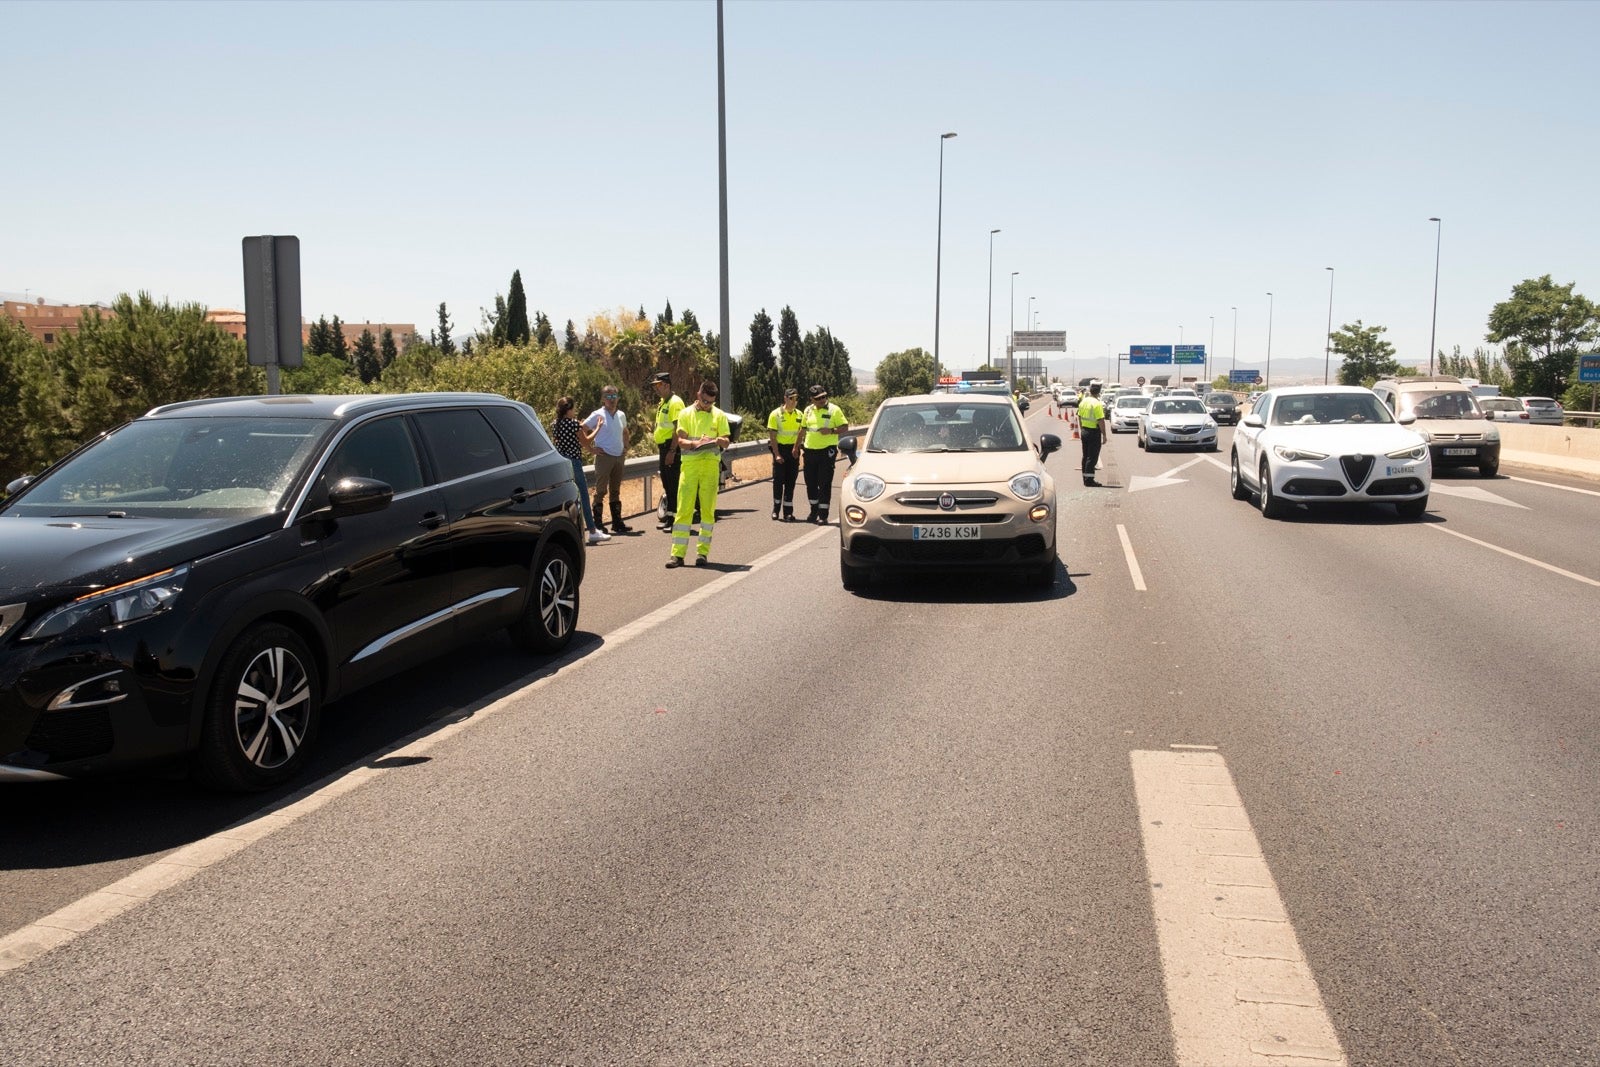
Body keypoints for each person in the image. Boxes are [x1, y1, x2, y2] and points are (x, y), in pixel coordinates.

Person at [666, 380, 731, 568]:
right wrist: (697, 444)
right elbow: (681, 440)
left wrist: (717, 440)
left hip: (710, 468)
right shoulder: (685, 413)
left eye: (710, 402)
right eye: (704, 401)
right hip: (690, 467)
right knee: (684, 510)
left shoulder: (719, 415)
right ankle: (677, 555)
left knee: (707, 511)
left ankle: (702, 553)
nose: (707, 405)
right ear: (698, 394)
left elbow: (726, 441)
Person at [552, 396, 609, 545]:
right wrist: (598, 427)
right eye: (573, 408)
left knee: (566, 499)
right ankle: (592, 531)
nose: (574, 411)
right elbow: (586, 441)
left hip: (561, 463)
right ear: (569, 409)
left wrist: (591, 450)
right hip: (574, 462)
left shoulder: (555, 424)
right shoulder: (573, 424)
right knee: (583, 495)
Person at [582, 384, 631, 533]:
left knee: (615, 490)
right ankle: (597, 525)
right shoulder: (597, 414)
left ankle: (617, 523)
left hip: (618, 457)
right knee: (601, 491)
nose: (611, 399)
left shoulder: (621, 414)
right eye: (608, 396)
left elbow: (625, 431)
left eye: (614, 396)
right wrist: (590, 449)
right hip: (604, 457)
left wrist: (626, 447)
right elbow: (582, 430)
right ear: (603, 399)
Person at [801, 384, 847, 524]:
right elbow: (803, 429)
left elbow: (845, 427)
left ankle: (823, 515)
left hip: (827, 450)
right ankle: (813, 511)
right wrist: (797, 446)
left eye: (824, 397)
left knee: (824, 482)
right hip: (809, 451)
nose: (822, 400)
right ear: (811, 399)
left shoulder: (834, 409)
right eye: (818, 398)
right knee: (810, 483)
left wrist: (832, 431)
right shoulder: (808, 410)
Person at [650, 371, 684, 531]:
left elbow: (678, 428)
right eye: (655, 386)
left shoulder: (675, 403)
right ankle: (670, 518)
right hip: (664, 448)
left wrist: (672, 451)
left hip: (671, 447)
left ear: (667, 385)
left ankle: (676, 519)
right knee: (667, 484)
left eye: (659, 385)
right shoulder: (663, 402)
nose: (657, 388)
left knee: (673, 484)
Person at [767, 387, 804, 521]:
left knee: (791, 482)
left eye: (796, 398)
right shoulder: (775, 414)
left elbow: (801, 433)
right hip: (780, 449)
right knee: (778, 481)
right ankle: (776, 509)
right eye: (791, 398)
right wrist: (776, 454)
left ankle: (788, 512)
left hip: (793, 450)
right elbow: (772, 436)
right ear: (785, 399)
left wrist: (796, 447)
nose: (794, 401)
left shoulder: (800, 415)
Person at [1077, 382, 1108, 487]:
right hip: (1093, 432)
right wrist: (1104, 435)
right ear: (1099, 392)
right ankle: (1089, 480)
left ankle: (1085, 478)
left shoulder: (1083, 402)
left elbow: (1079, 416)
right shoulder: (1097, 404)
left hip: (1085, 431)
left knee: (1085, 456)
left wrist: (1082, 429)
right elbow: (1101, 420)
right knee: (1092, 457)